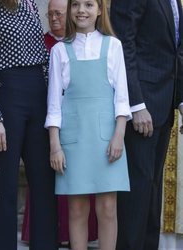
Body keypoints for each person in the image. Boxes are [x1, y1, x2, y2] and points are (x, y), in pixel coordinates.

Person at [0, 0, 58, 249]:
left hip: (39, 94)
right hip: (7, 95)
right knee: (4, 182)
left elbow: (41, 55)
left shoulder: (29, 4)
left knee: (44, 180)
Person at [45, 0, 132, 249]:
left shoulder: (113, 46)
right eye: (76, 5)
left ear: (99, 10)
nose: (81, 10)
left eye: (88, 4)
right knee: (77, 208)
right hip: (73, 140)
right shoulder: (59, 51)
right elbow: (53, 104)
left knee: (107, 208)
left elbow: (122, 98)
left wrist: (119, 136)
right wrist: (55, 146)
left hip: (107, 138)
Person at [21, 0, 98, 246]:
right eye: (50, 14)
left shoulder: (92, 45)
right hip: (44, 119)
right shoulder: (40, 44)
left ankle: (74, 235)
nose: (54, 18)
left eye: (59, 13)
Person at [110, 0, 183, 249]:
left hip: (165, 101)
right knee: (137, 191)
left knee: (152, 190)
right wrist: (136, 104)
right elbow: (124, 45)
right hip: (143, 106)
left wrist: (180, 98)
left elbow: (176, 50)